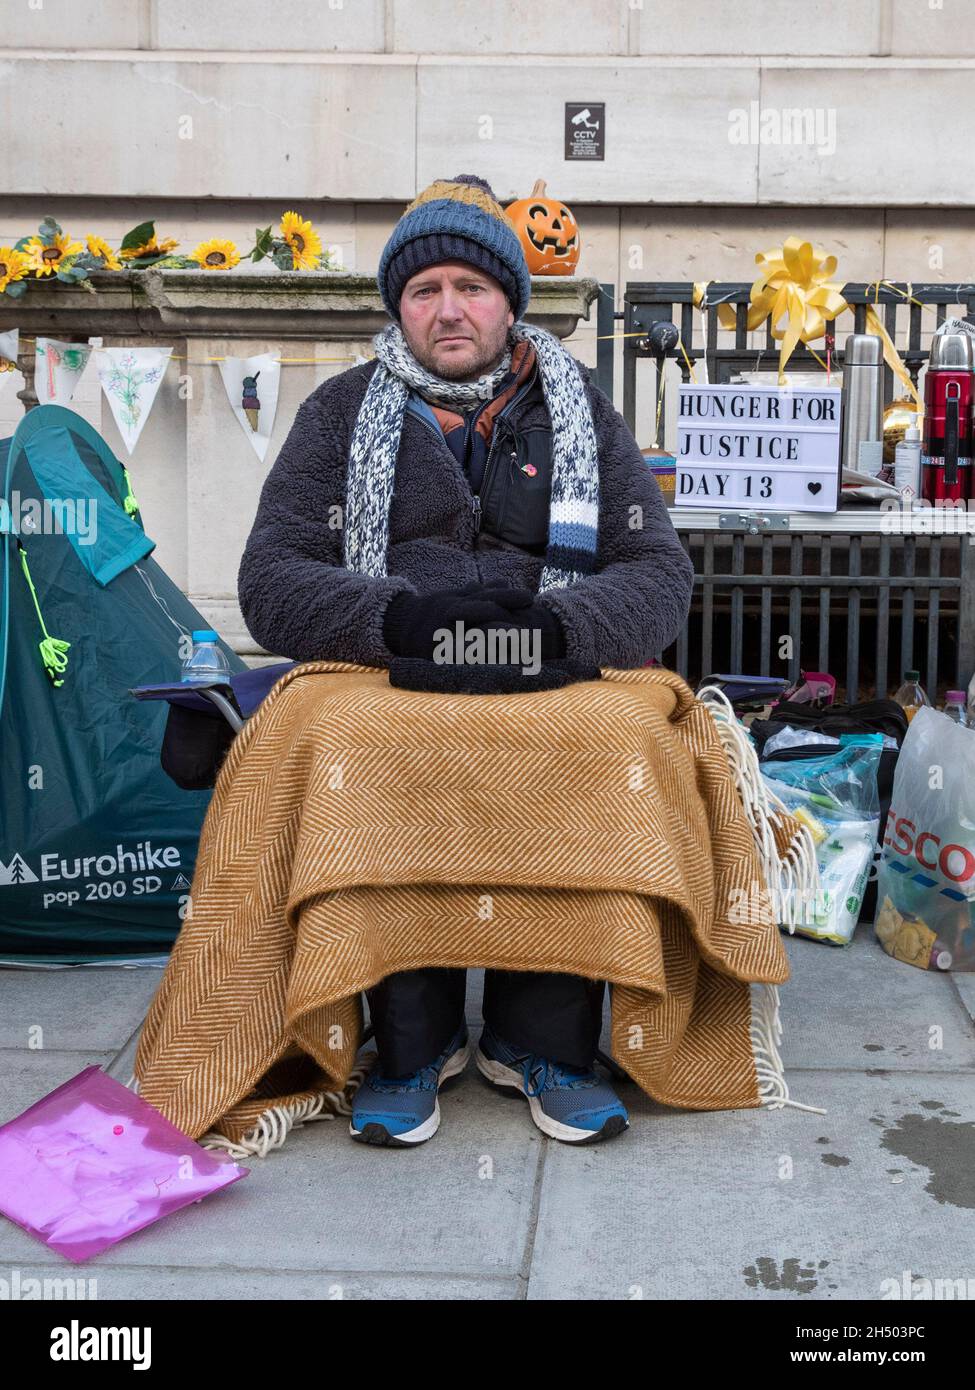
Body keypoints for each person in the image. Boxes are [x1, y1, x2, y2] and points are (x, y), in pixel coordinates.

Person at [238, 174, 694, 1148]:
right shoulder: (339, 410)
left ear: (510, 301)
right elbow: (271, 574)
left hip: (552, 657)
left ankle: (544, 1042)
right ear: (399, 306)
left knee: (609, 733)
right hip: (392, 658)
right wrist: (402, 621)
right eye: (424, 289)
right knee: (365, 734)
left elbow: (658, 568)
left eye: (473, 287)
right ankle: (412, 1041)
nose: (449, 308)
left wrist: (559, 635)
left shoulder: (580, 411)